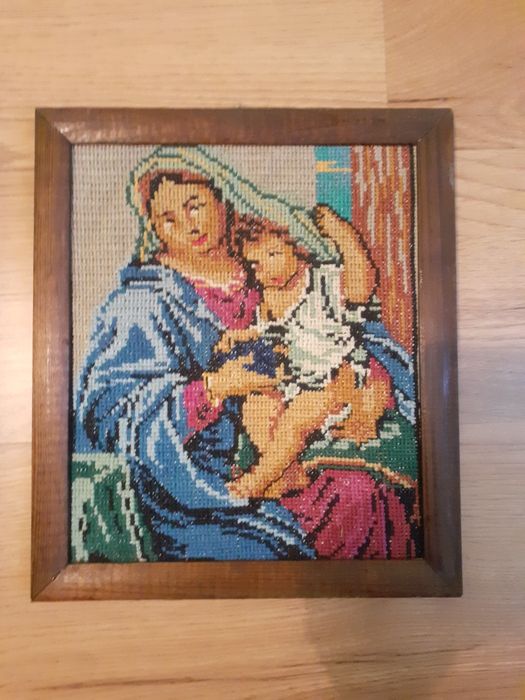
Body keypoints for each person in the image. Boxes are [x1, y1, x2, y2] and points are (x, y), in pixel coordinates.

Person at [75, 147, 325, 560]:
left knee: (364, 501)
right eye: (168, 220)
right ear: (155, 229)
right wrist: (213, 388)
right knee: (278, 554)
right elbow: (109, 415)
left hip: (304, 444)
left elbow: (339, 320)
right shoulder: (141, 303)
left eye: (195, 206)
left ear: (222, 200)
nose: (188, 226)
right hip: (195, 492)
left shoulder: (268, 261)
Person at [216, 210, 391, 500]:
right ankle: (290, 474)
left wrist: (342, 235)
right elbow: (269, 334)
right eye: (256, 263)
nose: (267, 269)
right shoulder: (268, 298)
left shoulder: (322, 280)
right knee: (255, 407)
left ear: (296, 246)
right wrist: (241, 336)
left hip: (335, 382)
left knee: (295, 418)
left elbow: (361, 285)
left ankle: (259, 477)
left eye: (273, 254)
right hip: (295, 383)